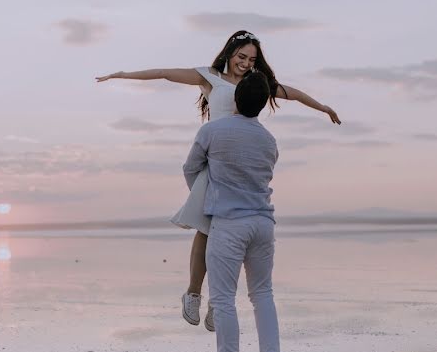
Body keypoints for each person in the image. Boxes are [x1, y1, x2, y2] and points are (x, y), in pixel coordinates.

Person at [96, 31, 340, 331]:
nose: (245, 64)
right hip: (215, 160)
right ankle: (194, 293)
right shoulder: (209, 77)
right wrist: (122, 75)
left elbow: (294, 93)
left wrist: (323, 107)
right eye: (241, 58)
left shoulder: (255, 84)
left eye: (252, 60)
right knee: (206, 229)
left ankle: (217, 302)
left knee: (230, 237)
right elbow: (164, 74)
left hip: (242, 164)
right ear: (229, 53)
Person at [184, 72, 289, 352]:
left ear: (235, 99)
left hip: (228, 223)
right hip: (262, 223)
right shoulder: (269, 140)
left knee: (223, 297)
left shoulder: (213, 130)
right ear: (263, 105)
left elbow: (190, 169)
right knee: (262, 292)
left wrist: (206, 197)